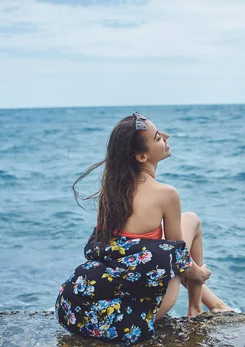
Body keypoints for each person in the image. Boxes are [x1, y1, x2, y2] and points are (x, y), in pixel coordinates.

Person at [55, 112, 231, 345]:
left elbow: (129, 256)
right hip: (145, 310)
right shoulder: (166, 194)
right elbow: (177, 256)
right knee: (192, 221)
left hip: (83, 315)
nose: (167, 137)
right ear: (141, 156)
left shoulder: (111, 191)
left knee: (159, 253)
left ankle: (214, 304)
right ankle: (195, 309)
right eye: (158, 137)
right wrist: (199, 274)